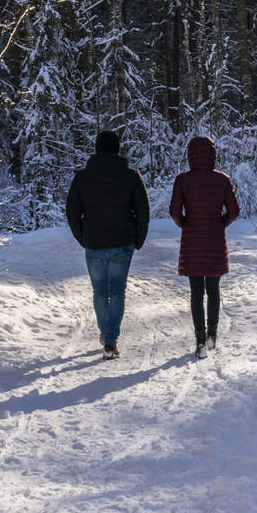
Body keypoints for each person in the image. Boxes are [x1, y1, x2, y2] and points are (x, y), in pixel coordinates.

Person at [66, 129, 150, 360]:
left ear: (96, 149)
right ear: (117, 149)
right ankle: (111, 340)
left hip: (94, 242)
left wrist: (83, 238)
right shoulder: (131, 176)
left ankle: (106, 334)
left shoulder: (82, 177)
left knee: (100, 291)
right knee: (117, 290)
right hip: (123, 242)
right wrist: (138, 239)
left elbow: (72, 213)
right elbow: (143, 211)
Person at [168, 135, 240, 359]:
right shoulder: (223, 180)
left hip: (192, 242)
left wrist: (186, 225)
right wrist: (220, 223)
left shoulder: (183, 180)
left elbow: (174, 211)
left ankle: (199, 340)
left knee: (196, 293)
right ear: (212, 154)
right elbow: (235, 211)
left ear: (190, 155)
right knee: (214, 290)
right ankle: (212, 336)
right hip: (215, 242)